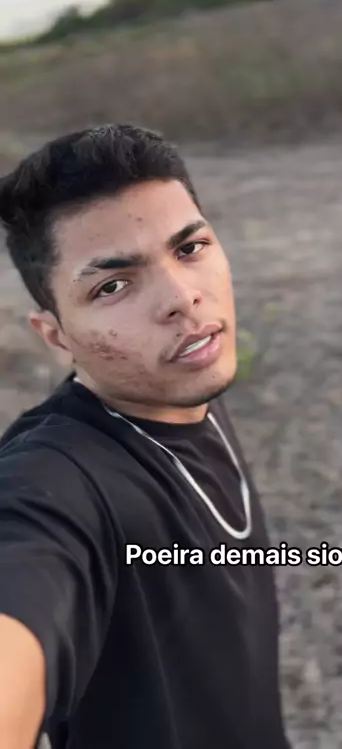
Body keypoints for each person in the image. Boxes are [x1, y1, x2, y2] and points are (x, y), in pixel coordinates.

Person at [0, 125, 291, 749]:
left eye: (190, 248)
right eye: (112, 286)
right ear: (56, 336)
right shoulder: (57, 480)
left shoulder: (180, 382)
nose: (182, 299)